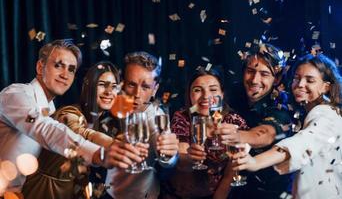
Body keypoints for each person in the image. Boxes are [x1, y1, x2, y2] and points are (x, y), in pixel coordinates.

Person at [0, 40, 142, 196]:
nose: (65, 75)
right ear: (40, 67)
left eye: (71, 70)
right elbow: (46, 128)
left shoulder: (51, 108)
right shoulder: (16, 94)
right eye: (58, 65)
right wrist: (99, 153)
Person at [232, 53, 342, 199]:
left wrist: (255, 162)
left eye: (310, 80)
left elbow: (302, 143)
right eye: (297, 78)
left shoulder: (326, 115)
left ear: (326, 87)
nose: (300, 84)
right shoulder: (314, 113)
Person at [159, 67, 249, 199]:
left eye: (213, 89)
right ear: (189, 95)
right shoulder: (182, 117)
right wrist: (190, 158)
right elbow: (181, 162)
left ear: (222, 94)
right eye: (197, 90)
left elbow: (230, 175)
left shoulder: (233, 121)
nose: (206, 96)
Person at [103, 51, 179, 199]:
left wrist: (169, 154)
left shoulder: (156, 116)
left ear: (154, 90)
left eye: (145, 87)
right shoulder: (110, 103)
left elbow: (167, 160)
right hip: (108, 192)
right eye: (132, 84)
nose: (137, 93)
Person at [223, 43, 294, 199]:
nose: (255, 80)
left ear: (277, 79)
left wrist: (233, 135)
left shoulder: (282, 104)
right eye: (250, 71)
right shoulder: (232, 93)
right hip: (232, 190)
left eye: (264, 74)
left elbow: (265, 135)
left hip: (270, 193)